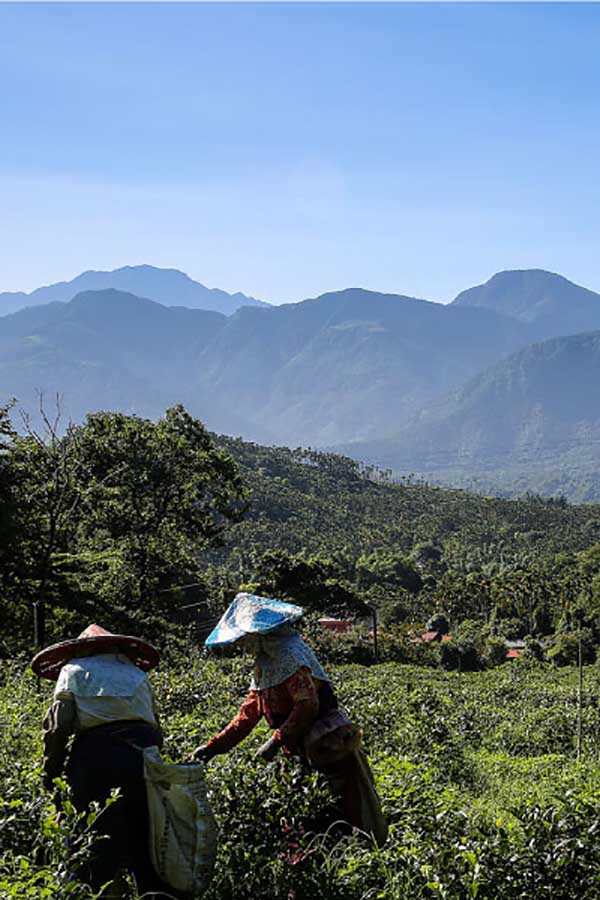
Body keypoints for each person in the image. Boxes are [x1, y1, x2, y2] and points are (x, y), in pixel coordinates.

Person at [193, 592, 388, 846]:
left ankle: (364, 856)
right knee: (308, 810)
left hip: (328, 745)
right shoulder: (265, 662)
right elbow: (250, 712)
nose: (241, 644)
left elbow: (307, 705)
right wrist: (213, 747)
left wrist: (275, 740)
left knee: (347, 807)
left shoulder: (289, 654)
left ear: (260, 633)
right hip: (300, 746)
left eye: (244, 638)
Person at [32, 623, 171, 899]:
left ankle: (93, 888)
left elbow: (58, 729)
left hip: (95, 758)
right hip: (143, 757)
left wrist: (50, 773)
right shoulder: (136, 674)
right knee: (145, 837)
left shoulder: (72, 671)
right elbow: (156, 729)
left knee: (90, 837)